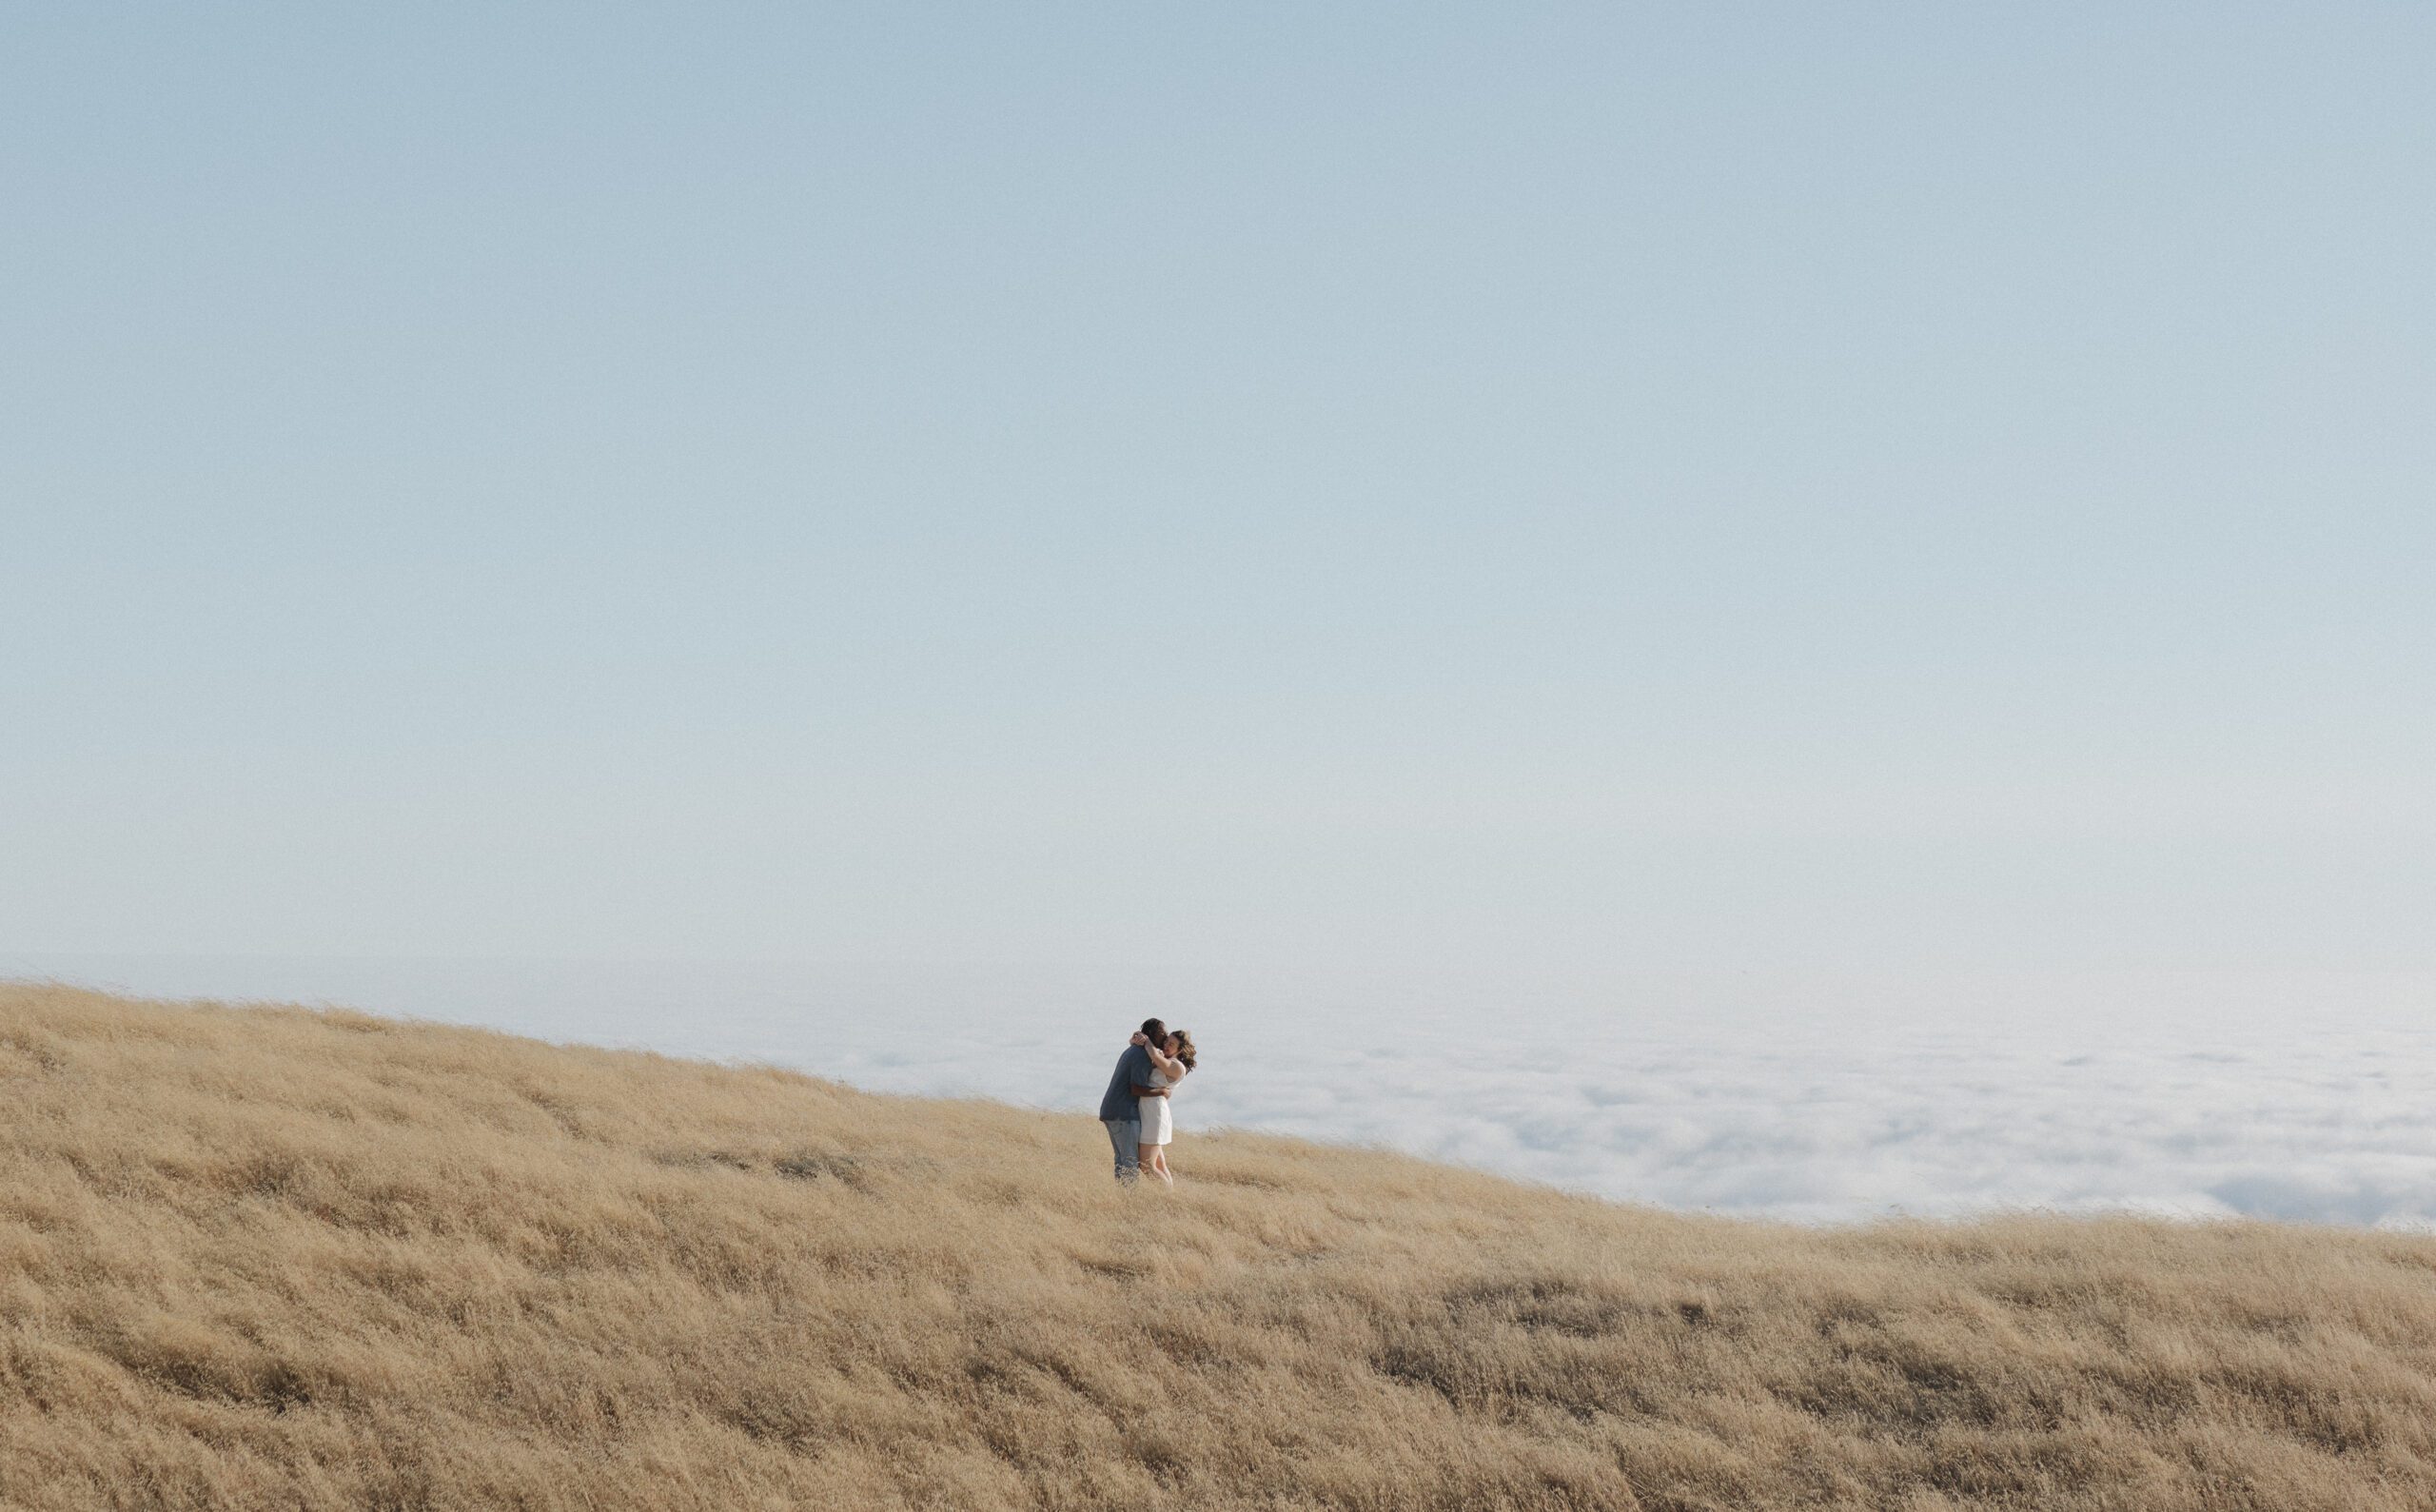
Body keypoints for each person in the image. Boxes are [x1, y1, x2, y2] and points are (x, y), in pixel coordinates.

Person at [1097, 1018, 1169, 1184]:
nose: (1165, 1037)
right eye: (1162, 1033)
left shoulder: (1133, 1049)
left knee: (1121, 1161)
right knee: (1129, 1163)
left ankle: (1123, 1199)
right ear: (1151, 1034)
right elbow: (1136, 1089)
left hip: (1111, 1110)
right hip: (1124, 1114)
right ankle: (1130, 1201)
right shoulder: (1142, 1055)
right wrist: (1162, 1091)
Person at [1134, 1029, 1196, 1187]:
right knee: (1160, 1165)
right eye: (1166, 1041)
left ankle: (1167, 1197)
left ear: (1180, 1049)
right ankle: (1170, 1196)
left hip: (1154, 1115)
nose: (1167, 1045)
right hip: (1150, 1112)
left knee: (1147, 1166)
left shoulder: (1177, 1066)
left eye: (1172, 1044)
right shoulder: (1165, 1059)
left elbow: (1153, 1055)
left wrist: (1146, 1039)